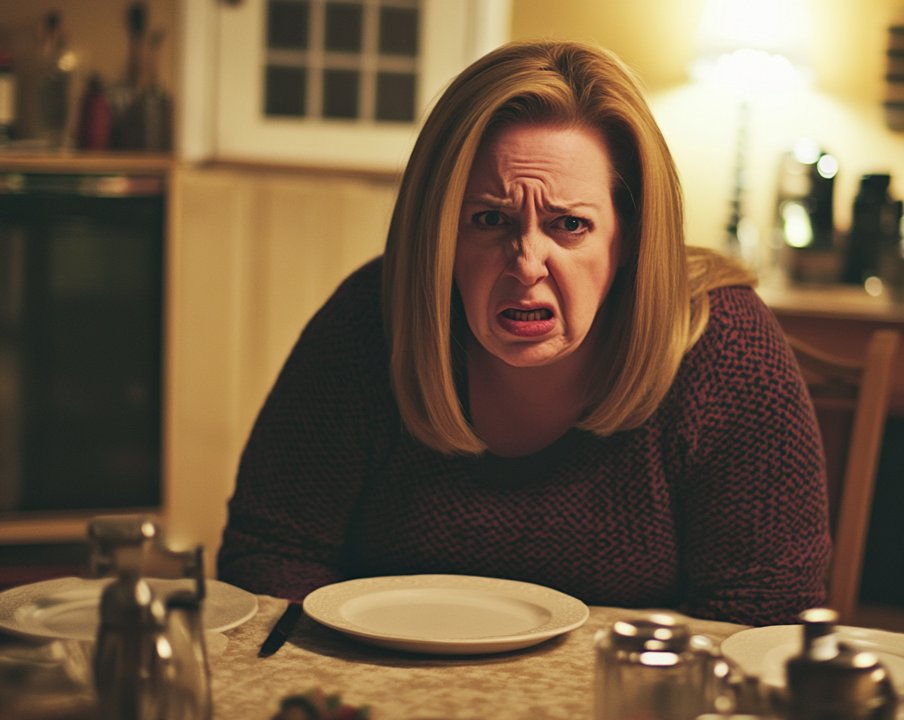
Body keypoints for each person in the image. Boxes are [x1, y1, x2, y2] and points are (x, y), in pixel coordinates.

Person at [217, 40, 830, 626]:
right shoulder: (371, 320)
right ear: (438, 234)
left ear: (632, 238)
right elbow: (270, 556)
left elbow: (766, 613)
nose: (526, 263)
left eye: (569, 224)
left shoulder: (721, 344)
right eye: (489, 219)